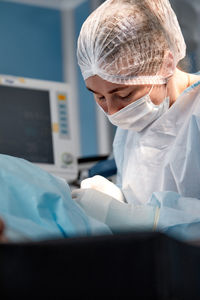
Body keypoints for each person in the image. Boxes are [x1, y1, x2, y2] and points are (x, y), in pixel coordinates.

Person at [72, 0, 200, 241]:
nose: (112, 111)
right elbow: (142, 202)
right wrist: (118, 201)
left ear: (166, 63)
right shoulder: (131, 129)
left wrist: (137, 218)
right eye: (99, 96)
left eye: (124, 94)